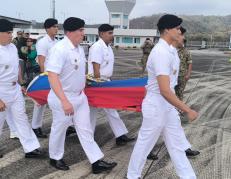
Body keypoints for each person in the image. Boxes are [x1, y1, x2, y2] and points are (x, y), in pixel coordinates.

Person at [127, 14, 198, 179]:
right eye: (178, 28)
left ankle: (188, 176)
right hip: (156, 105)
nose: (180, 31)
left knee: (176, 144)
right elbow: (164, 90)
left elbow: (168, 89)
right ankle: (132, 175)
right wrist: (187, 110)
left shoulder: (170, 51)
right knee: (145, 143)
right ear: (167, 30)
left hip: (166, 105)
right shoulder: (160, 52)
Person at [46, 17, 117, 173]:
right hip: (63, 97)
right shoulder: (60, 49)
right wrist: (64, 101)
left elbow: (75, 71)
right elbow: (52, 76)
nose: (83, 33)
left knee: (85, 129)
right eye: (81, 30)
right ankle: (55, 157)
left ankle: (96, 161)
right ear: (70, 32)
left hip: (80, 96)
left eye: (83, 29)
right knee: (60, 128)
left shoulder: (78, 48)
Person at [0, 19, 45, 159]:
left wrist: (21, 84)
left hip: (14, 89)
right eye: (8, 33)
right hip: (1, 90)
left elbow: (17, 67)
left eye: (11, 33)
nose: (11, 35)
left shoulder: (12, 47)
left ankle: (30, 148)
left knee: (22, 118)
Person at [88, 24, 135, 146]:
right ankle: (88, 138)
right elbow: (96, 68)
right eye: (109, 33)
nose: (112, 36)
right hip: (97, 83)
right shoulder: (97, 47)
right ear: (102, 34)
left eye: (112, 33)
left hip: (105, 82)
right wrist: (99, 85)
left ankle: (120, 135)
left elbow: (107, 67)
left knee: (111, 110)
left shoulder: (108, 47)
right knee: (91, 113)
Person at [31, 18, 58, 138]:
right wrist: (43, 77)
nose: (56, 29)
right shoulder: (43, 42)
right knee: (40, 102)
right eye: (54, 26)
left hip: (56, 76)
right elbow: (41, 61)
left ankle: (67, 126)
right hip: (46, 76)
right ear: (47, 28)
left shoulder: (57, 42)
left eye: (57, 26)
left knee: (57, 102)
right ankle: (35, 127)